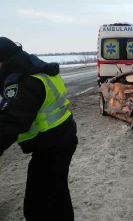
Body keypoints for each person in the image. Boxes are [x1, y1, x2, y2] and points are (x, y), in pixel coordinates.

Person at [0, 37, 78, 221]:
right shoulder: (35, 70)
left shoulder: (24, 82)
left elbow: (11, 122)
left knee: (38, 205)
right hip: (61, 138)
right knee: (57, 195)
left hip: (52, 146)